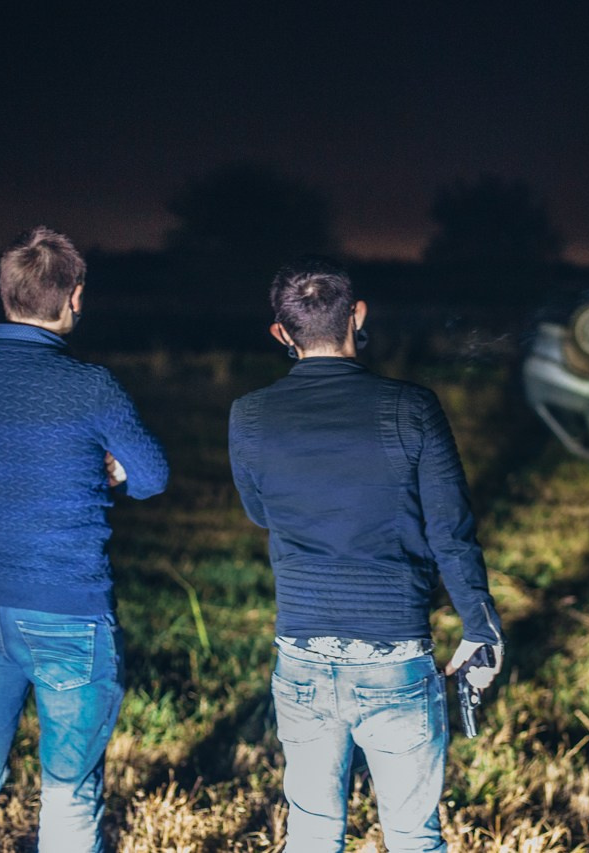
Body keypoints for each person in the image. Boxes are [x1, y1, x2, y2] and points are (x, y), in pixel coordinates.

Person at [228, 256, 505, 852]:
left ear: (281, 332)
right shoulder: (412, 408)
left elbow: (261, 512)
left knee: (312, 833)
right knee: (412, 836)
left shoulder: (248, 414)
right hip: (396, 656)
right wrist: (481, 625)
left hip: (301, 654)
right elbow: (450, 530)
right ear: (358, 314)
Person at [0, 226, 169, 852]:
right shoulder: (90, 386)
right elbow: (152, 476)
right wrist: (107, 470)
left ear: (6, 293)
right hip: (68, 608)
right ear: (75, 298)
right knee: (68, 786)